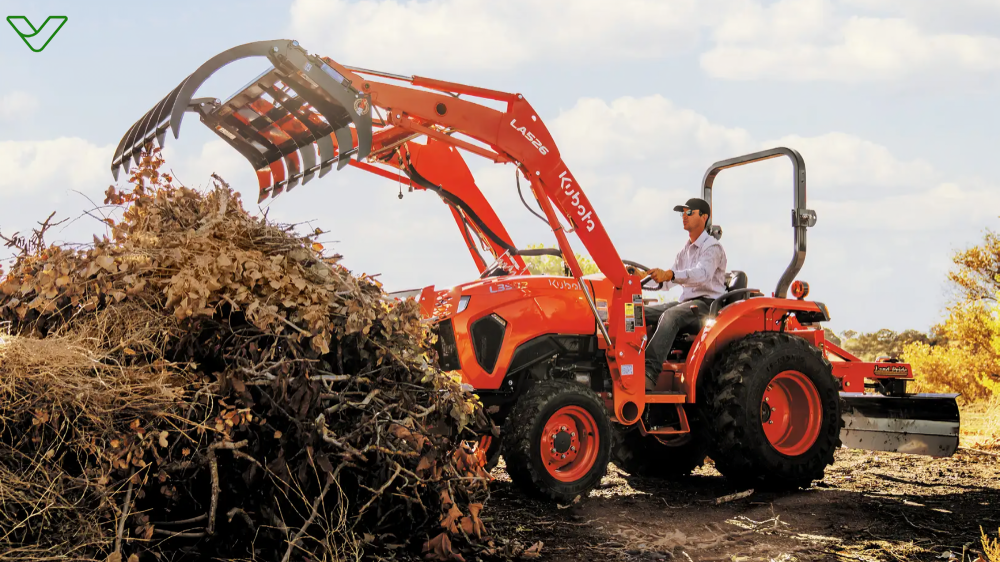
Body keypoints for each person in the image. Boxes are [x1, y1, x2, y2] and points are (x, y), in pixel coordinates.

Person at [642, 197, 727, 390]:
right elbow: (667, 282)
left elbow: (702, 275)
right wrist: (642, 279)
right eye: (683, 213)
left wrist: (670, 275)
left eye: (690, 212)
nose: (684, 216)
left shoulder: (712, 248)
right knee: (640, 313)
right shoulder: (685, 250)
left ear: (704, 217)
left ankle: (647, 373)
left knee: (670, 316)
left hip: (707, 306)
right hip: (687, 304)